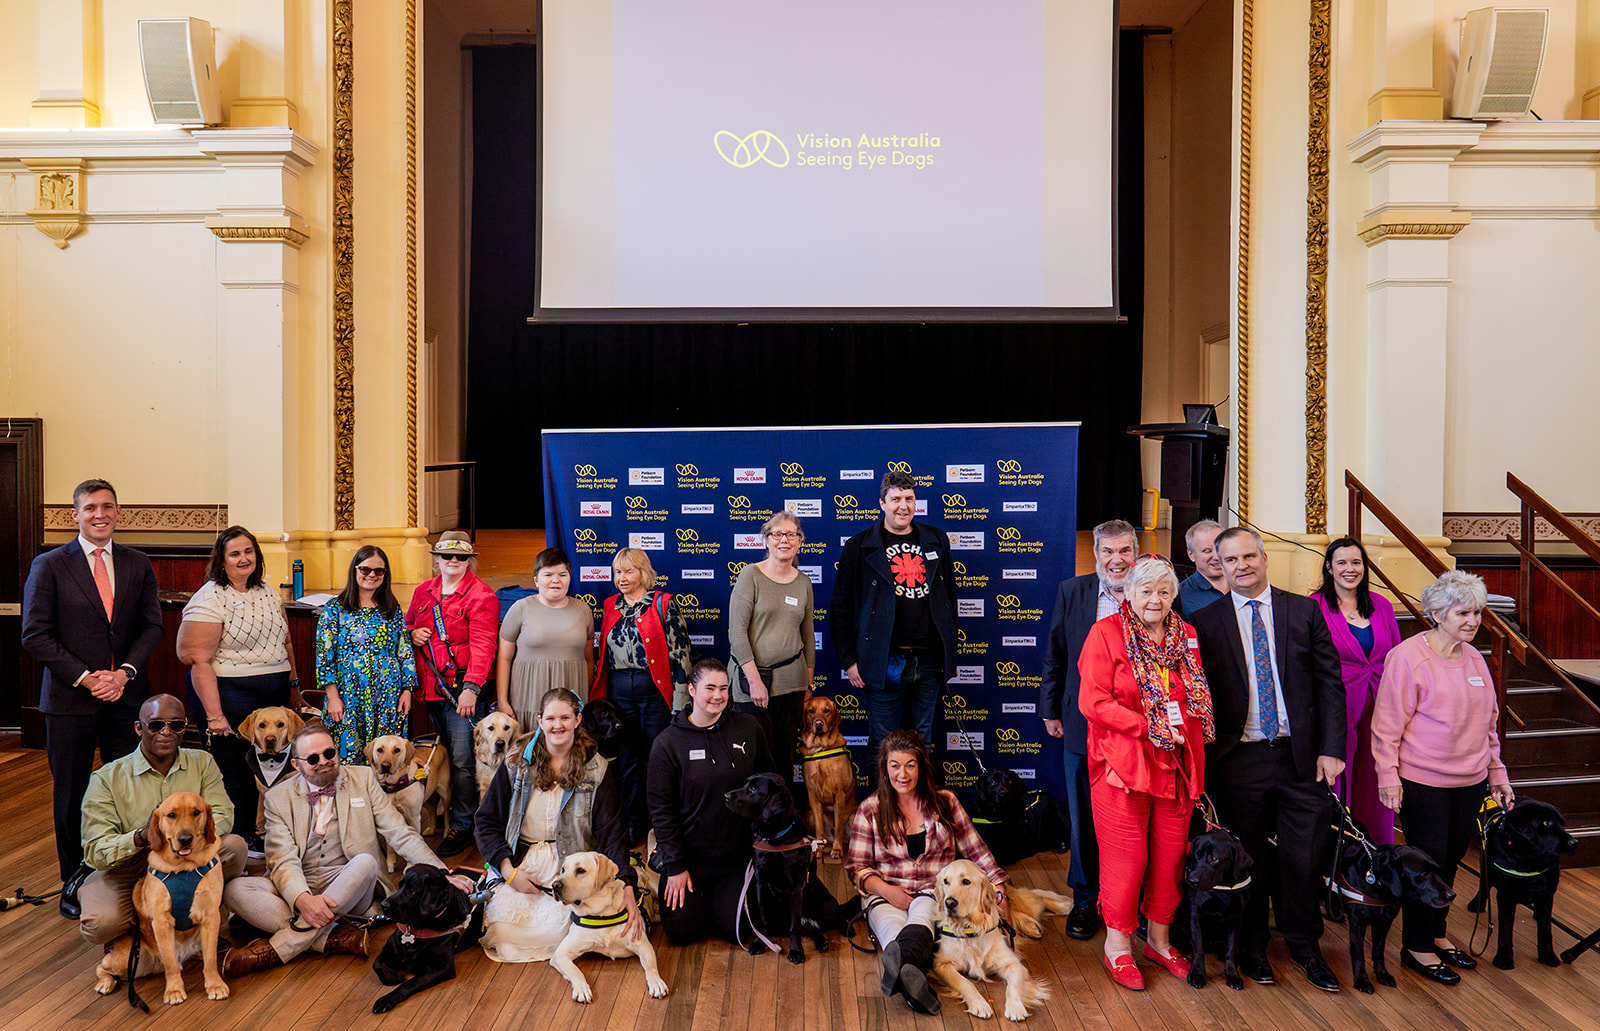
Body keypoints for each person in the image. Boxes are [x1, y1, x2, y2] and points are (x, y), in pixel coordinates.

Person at [1190, 527, 1345, 992]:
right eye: (1231, 559)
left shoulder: (1304, 611)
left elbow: (1329, 683)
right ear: (1219, 564)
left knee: (1303, 856)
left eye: (1249, 556)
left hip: (1301, 758)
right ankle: (1253, 947)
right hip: (1239, 760)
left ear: (1264, 557)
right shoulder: (1204, 621)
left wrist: (1332, 748)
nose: (1241, 566)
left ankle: (1305, 945)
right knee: (1247, 858)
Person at [21, 478, 164, 919]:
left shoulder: (138, 563)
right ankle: (75, 881)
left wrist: (123, 674)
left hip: (125, 697)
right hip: (69, 701)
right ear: (75, 515)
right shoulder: (49, 565)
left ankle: (126, 871)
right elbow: (35, 634)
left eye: (107, 507)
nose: (99, 514)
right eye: (90, 508)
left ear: (118, 512)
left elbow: (151, 627)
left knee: (129, 790)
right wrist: (87, 678)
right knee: (72, 792)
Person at [1078, 556, 1214, 989]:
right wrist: (1148, 727)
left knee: (1170, 857)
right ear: (1128, 593)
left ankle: (1158, 939)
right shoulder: (1105, 633)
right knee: (1127, 859)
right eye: (1146, 591)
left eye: (1163, 591)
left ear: (1174, 595)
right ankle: (1117, 946)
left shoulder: (1187, 635)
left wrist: (1179, 738)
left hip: (1177, 765)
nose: (1155, 599)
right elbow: (1093, 703)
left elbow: (1195, 700)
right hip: (1124, 764)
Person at [1372, 570, 1513, 986]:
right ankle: (1416, 945)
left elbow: (1489, 722)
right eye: (1463, 612)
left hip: (1469, 780)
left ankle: (1436, 933)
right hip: (1422, 781)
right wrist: (1388, 775)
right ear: (1436, 613)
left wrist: (1496, 773)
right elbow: (1386, 726)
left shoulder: (1474, 658)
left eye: (1477, 612)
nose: (1473, 621)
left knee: (1451, 861)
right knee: (1427, 865)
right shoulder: (1408, 657)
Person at [221, 724, 448, 977]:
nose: (324, 762)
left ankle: (277, 949)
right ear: (296, 765)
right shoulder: (278, 797)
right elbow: (282, 860)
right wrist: (302, 899)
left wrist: (442, 873)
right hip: (300, 884)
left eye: (329, 754)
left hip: (350, 878)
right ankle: (330, 937)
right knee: (234, 889)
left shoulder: (363, 778)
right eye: (313, 758)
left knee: (366, 861)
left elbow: (399, 832)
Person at [846, 729, 1010, 1015]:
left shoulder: (945, 801)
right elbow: (857, 868)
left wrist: (998, 887)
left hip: (930, 891)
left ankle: (905, 974)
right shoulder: (869, 809)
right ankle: (914, 985)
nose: (903, 774)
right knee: (890, 929)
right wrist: (888, 892)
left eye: (910, 765)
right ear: (885, 769)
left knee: (921, 914)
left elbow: (976, 851)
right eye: (894, 765)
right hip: (884, 891)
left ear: (921, 767)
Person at [474, 687, 641, 962]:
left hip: (570, 866)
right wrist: (509, 872)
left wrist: (626, 884)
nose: (557, 725)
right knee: (503, 932)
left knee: (558, 932)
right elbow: (486, 820)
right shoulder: (516, 762)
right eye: (550, 718)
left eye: (565, 718)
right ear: (539, 721)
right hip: (521, 863)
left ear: (577, 720)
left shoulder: (597, 768)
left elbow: (613, 833)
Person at [77, 694, 248, 945]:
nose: (166, 732)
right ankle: (146, 930)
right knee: (99, 924)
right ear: (139, 728)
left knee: (234, 847)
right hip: (130, 866)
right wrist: (141, 838)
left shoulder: (202, 763)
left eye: (176, 725)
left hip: (189, 857)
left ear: (184, 727)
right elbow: (94, 850)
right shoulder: (106, 779)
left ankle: (189, 920)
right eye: (156, 725)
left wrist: (169, 848)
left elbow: (222, 815)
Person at [1038, 517, 1138, 941]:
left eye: (1125, 551)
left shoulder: (1151, 592)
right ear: (1095, 554)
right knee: (1083, 818)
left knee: (1133, 820)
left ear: (1136, 553)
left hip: (1136, 731)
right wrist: (1050, 709)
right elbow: (1055, 655)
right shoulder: (1073, 591)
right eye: (1108, 552)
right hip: (1081, 725)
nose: (1117, 560)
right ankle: (1085, 899)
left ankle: (1134, 903)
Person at [177, 524, 300, 853]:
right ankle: (239, 840)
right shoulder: (211, 597)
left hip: (272, 695)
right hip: (228, 697)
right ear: (222, 559)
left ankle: (264, 832)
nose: (243, 558)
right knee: (235, 771)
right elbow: (197, 659)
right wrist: (215, 716)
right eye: (235, 553)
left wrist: (294, 686)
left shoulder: (267, 591)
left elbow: (285, 642)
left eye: (249, 552)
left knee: (269, 768)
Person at [830, 469, 958, 768]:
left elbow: (949, 600)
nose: (904, 506)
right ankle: (884, 815)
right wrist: (850, 660)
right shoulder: (859, 546)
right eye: (896, 498)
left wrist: (947, 653)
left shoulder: (936, 540)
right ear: (882, 503)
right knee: (883, 745)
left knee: (922, 744)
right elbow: (840, 609)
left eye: (910, 498)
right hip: (882, 662)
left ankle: (918, 814)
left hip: (928, 662)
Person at [647, 659, 774, 946]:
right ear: (691, 690)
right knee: (682, 932)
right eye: (710, 688)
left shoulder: (747, 727)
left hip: (737, 858)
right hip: (689, 860)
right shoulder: (668, 743)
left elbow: (769, 781)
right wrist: (676, 868)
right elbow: (661, 811)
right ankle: (702, 902)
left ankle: (722, 903)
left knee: (739, 930)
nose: (717, 696)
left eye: (724, 689)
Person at [406, 530, 501, 857]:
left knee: (462, 761)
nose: (454, 562)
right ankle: (448, 814)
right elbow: (406, 626)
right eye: (447, 556)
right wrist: (412, 632)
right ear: (437, 560)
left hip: (462, 691)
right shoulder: (423, 591)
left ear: (469, 561)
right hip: (430, 688)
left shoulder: (481, 595)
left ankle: (464, 824)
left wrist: (472, 688)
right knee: (442, 755)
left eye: (461, 557)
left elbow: (484, 645)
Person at [592, 547, 692, 844]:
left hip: (654, 693)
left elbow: (681, 653)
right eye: (617, 572)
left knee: (655, 759)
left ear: (643, 572)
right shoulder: (611, 605)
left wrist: (680, 700)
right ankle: (633, 822)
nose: (622, 578)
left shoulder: (663, 603)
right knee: (626, 760)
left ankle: (661, 824)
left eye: (629, 571)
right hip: (619, 695)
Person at [1312, 536, 1402, 845]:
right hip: (1337, 706)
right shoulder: (1314, 606)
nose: (1350, 569)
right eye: (1342, 563)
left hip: (1380, 703)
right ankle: (1338, 853)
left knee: (1375, 778)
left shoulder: (1382, 605)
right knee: (1337, 781)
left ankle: (1378, 852)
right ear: (1329, 568)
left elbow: (1397, 655)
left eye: (1356, 562)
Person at [728, 511, 815, 783]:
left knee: (784, 757)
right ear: (766, 540)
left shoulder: (803, 582)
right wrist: (755, 682)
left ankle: (782, 823)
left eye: (791, 534)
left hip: (792, 683)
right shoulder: (750, 575)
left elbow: (809, 637)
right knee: (755, 758)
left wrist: (808, 685)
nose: (784, 540)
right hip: (752, 683)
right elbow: (738, 634)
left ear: (799, 541)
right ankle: (755, 825)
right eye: (777, 534)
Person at [316, 546, 416, 767]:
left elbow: (404, 650)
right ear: (355, 570)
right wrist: (333, 697)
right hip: (349, 696)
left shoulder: (391, 607)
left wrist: (407, 690)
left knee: (386, 761)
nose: (372, 575)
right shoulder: (335, 608)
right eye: (366, 569)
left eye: (379, 571)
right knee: (349, 759)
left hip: (388, 697)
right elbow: (324, 655)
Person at [496, 547, 593, 719]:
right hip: (528, 701)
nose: (556, 580)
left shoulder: (583, 610)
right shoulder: (520, 609)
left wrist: (586, 699)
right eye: (548, 575)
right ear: (536, 581)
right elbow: (504, 658)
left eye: (562, 575)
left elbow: (588, 658)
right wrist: (502, 701)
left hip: (572, 703)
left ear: (570, 578)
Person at [1177, 519, 1228, 619]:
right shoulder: (1180, 596)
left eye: (1220, 549)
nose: (1216, 557)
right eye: (1207, 551)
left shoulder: (1245, 585)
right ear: (1191, 555)